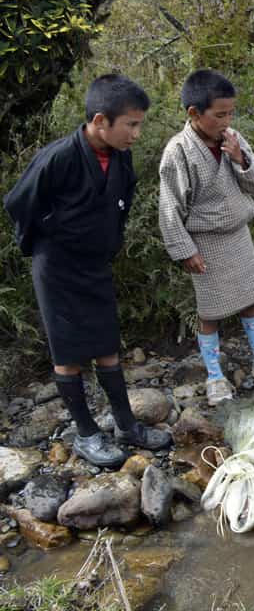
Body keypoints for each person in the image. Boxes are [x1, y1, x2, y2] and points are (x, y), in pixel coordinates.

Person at [3, 74, 172, 468]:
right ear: (100, 121)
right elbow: (18, 203)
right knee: (69, 353)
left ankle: (127, 425)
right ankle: (86, 434)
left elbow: (123, 200)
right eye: (131, 124)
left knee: (107, 346)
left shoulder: (120, 157)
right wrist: (50, 235)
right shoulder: (59, 157)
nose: (137, 133)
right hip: (58, 267)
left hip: (95, 263)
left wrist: (108, 240)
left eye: (139, 124)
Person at [158, 69, 254, 406]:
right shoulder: (178, 151)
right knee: (210, 312)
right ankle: (215, 376)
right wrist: (185, 250)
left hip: (238, 233)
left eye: (231, 113)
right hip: (206, 241)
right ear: (194, 113)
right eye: (219, 114)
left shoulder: (232, 138)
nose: (227, 120)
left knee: (250, 299)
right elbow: (170, 206)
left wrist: (239, 157)